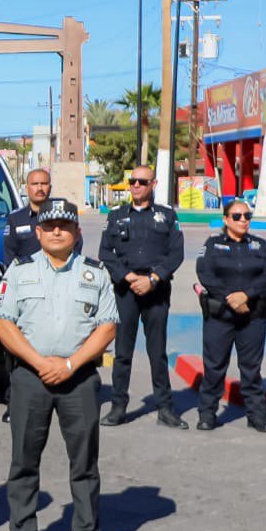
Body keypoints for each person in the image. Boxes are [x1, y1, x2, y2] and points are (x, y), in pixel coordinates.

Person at [0, 199, 118, 531]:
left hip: (78, 379)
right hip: (30, 378)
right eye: (50, 226)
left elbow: (107, 327)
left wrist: (69, 364)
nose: (57, 231)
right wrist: (40, 363)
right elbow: (3, 323)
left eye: (65, 225)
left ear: (77, 232)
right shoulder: (19, 271)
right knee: (24, 460)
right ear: (39, 232)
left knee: (84, 463)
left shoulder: (96, 273)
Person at [98, 166, 186, 428]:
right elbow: (106, 252)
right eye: (132, 181)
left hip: (156, 290)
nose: (136, 185)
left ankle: (165, 408)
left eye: (142, 181)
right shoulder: (116, 216)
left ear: (153, 184)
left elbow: (176, 253)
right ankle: (118, 407)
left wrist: (153, 279)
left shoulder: (166, 216)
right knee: (122, 353)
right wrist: (128, 277)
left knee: (157, 352)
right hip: (126, 291)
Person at [1, 170, 85, 423]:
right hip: (26, 292)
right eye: (34, 183)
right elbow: (10, 258)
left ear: (50, 186)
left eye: (43, 183)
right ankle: (13, 400)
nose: (39, 188)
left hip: (62, 287)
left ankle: (61, 394)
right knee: (17, 347)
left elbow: (75, 250)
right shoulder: (15, 219)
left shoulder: (64, 214)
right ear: (26, 187)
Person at [195, 199, 266, 433]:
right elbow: (205, 273)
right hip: (220, 314)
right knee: (214, 367)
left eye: (247, 216)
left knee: (251, 368)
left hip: (253, 315)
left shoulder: (259, 245)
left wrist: (246, 296)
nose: (243, 220)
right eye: (237, 216)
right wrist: (231, 298)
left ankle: (257, 415)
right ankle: (207, 413)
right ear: (226, 219)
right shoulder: (213, 245)